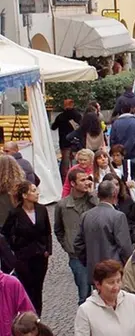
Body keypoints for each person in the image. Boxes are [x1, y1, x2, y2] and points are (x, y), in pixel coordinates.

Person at [2, 182, 50, 315]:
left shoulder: (41, 210)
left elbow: (47, 231)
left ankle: (37, 315)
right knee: (27, 287)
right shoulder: (15, 213)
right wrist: (15, 246)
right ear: (24, 195)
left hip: (40, 255)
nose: (37, 193)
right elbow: (5, 232)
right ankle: (28, 314)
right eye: (33, 191)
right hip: (23, 257)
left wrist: (47, 250)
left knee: (38, 287)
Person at [74, 180, 133, 284]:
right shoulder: (118, 216)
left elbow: (78, 244)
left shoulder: (86, 216)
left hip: (94, 271)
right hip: (114, 271)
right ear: (115, 194)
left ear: (98, 194)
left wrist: (88, 261)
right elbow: (125, 247)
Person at [54, 169, 96, 305]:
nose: (87, 183)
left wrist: (92, 195)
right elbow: (58, 229)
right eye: (82, 180)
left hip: (95, 251)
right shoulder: (63, 205)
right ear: (72, 183)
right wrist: (67, 246)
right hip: (76, 256)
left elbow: (106, 210)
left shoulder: (93, 200)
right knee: (84, 294)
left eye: (87, 179)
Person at [74, 260, 135, 336]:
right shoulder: (85, 311)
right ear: (98, 284)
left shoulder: (133, 301)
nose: (116, 287)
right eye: (111, 282)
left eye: (118, 281)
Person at [52, 98, 83, 179]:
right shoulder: (77, 115)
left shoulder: (60, 116)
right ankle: (78, 175)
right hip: (76, 141)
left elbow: (53, 127)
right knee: (77, 160)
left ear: (65, 106)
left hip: (64, 142)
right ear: (73, 105)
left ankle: (64, 178)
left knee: (65, 162)